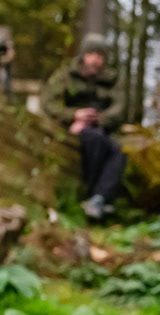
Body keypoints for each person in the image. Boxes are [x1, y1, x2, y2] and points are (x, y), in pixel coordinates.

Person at [42, 33, 127, 220]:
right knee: (94, 140)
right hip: (72, 128)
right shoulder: (66, 74)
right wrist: (74, 115)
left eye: (100, 55)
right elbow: (49, 103)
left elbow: (119, 108)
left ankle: (100, 198)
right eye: (91, 54)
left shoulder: (112, 79)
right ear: (83, 55)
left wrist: (100, 118)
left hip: (102, 128)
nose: (95, 59)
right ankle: (93, 196)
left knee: (119, 150)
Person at [0, 26, 14, 98]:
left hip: (6, 69)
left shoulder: (7, 44)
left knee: (7, 82)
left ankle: (7, 97)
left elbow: (10, 55)